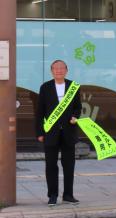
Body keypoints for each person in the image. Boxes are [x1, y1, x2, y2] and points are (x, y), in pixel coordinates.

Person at [36, 60, 82, 206]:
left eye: (62, 68)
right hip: (51, 133)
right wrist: (39, 132)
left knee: (69, 165)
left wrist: (76, 116)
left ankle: (68, 195)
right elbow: (39, 112)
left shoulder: (73, 87)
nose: (59, 71)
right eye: (56, 68)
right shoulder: (45, 87)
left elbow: (78, 107)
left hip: (69, 132)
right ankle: (52, 195)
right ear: (51, 71)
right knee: (50, 165)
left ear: (66, 70)